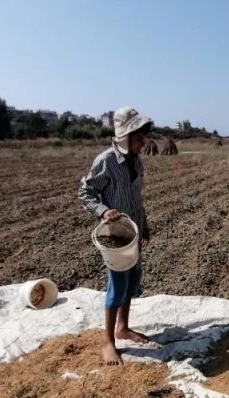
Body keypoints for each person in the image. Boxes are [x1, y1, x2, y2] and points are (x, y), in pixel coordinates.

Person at [78, 106, 153, 365]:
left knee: (132, 282)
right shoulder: (107, 161)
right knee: (117, 286)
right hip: (115, 237)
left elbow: (136, 197)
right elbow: (85, 192)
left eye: (143, 137)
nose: (143, 143)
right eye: (139, 138)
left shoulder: (136, 162)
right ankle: (108, 342)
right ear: (125, 137)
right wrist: (104, 210)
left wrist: (144, 223)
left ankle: (123, 327)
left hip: (133, 234)